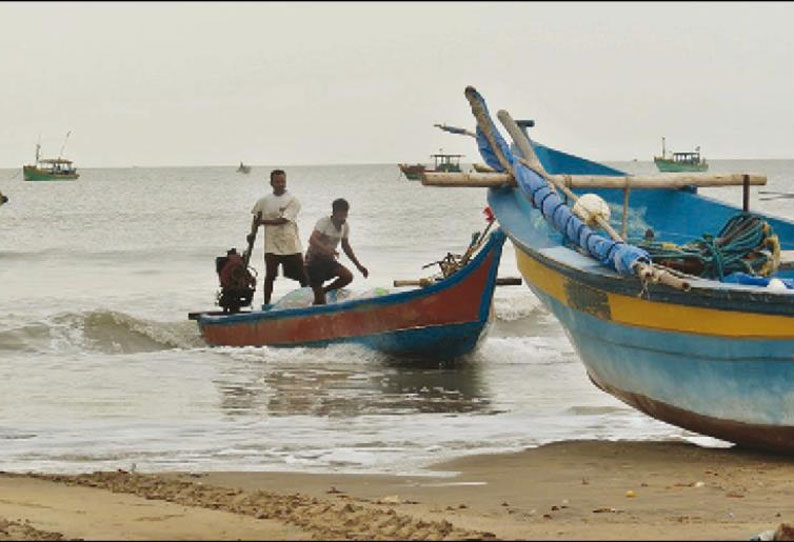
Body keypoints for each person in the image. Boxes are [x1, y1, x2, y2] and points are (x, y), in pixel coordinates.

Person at [249, 169, 308, 306]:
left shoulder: (293, 200)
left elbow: (284, 220)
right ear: (271, 183)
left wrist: (262, 223)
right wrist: (252, 234)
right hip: (271, 245)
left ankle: (309, 300)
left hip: (291, 244)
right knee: (270, 276)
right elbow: (256, 218)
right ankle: (266, 304)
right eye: (277, 181)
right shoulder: (264, 201)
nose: (280, 184)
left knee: (303, 275)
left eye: (283, 181)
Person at [305, 198, 368, 305]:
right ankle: (318, 299)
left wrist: (359, 266)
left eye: (345, 213)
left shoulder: (345, 226)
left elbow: (346, 247)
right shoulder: (324, 222)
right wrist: (327, 249)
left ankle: (325, 291)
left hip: (328, 261)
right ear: (334, 212)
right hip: (313, 261)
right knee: (320, 302)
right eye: (341, 212)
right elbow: (312, 240)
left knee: (347, 276)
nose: (343, 216)